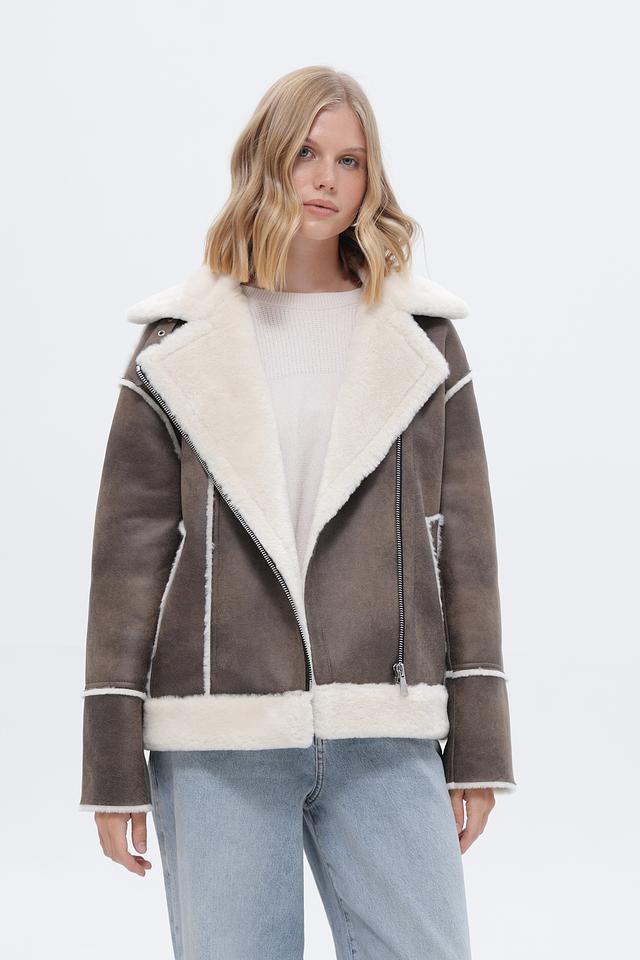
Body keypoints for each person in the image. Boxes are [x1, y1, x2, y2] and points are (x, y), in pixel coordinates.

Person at [79, 65, 516, 959]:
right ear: (265, 161)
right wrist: (111, 762)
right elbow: (128, 561)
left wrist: (479, 745)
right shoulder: (175, 346)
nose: (326, 179)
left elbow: (463, 550)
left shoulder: (424, 341)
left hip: (386, 723)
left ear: (371, 179)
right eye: (306, 154)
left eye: (350, 160)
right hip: (219, 733)